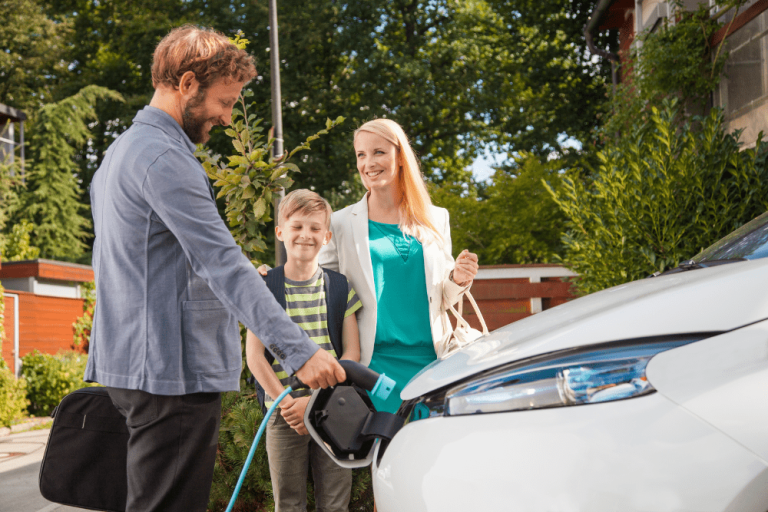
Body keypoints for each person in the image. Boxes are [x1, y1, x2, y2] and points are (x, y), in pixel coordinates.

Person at [85, 26, 345, 512]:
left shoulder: (119, 153)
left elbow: (146, 260)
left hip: (133, 365)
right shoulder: (166, 158)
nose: (227, 118)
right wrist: (298, 351)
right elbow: (220, 263)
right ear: (187, 84)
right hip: (171, 373)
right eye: (225, 102)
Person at [318, 118, 479, 413]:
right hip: (374, 368)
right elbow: (316, 283)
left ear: (400, 157)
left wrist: (458, 278)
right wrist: (272, 276)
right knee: (385, 455)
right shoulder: (340, 223)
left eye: (378, 152)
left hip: (435, 363)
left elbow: (443, 297)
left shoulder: (435, 218)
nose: (368, 163)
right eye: (361, 155)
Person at [246, 189, 362, 512]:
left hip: (332, 409)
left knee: (336, 502)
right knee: (289, 503)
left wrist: (314, 399)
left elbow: (351, 353)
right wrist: (286, 402)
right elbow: (255, 358)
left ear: (326, 237)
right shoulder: (264, 286)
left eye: (314, 228)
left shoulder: (340, 287)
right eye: (297, 227)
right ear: (281, 232)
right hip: (285, 413)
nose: (305, 235)